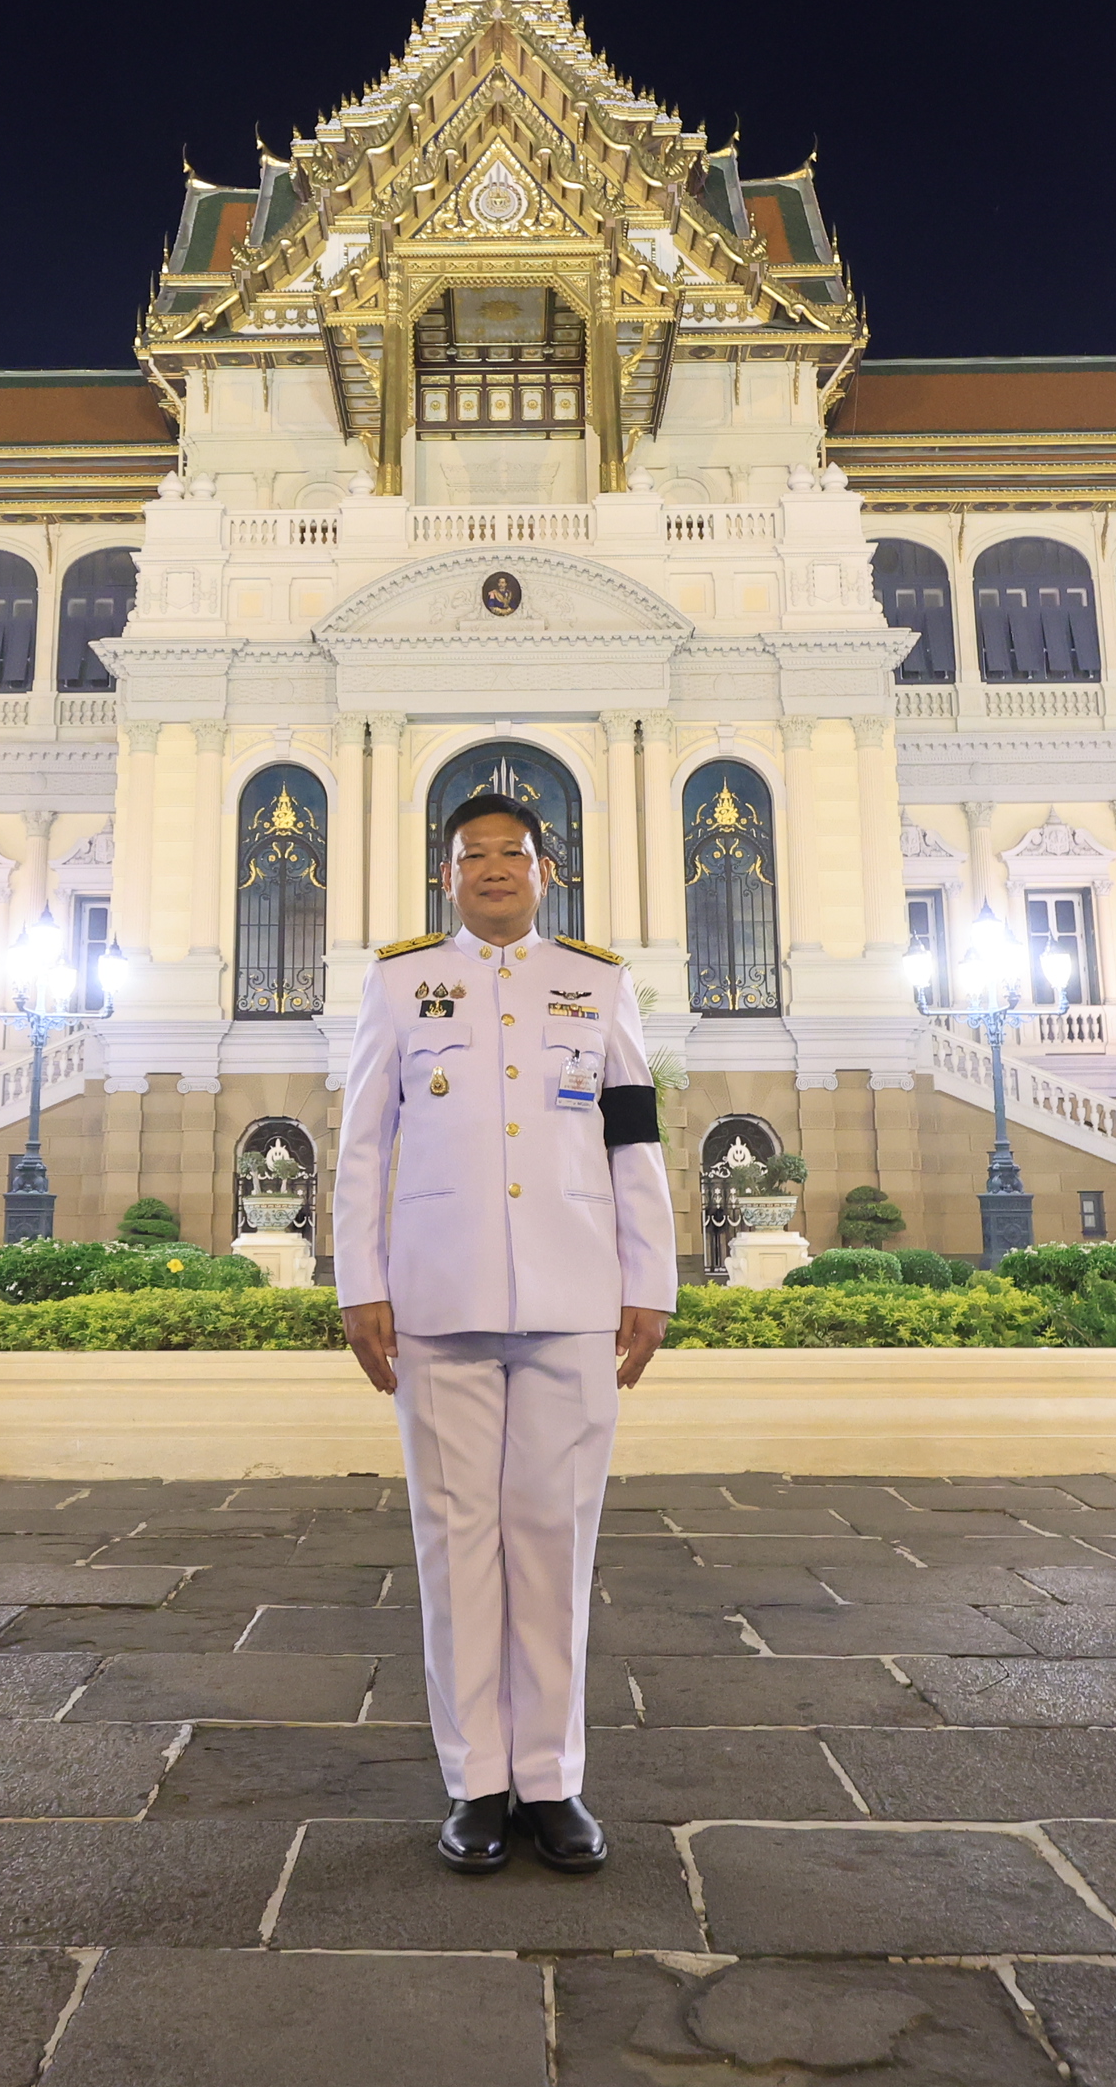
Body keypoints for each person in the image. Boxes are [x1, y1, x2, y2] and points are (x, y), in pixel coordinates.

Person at [332, 790, 676, 1875]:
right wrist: (359, 1281)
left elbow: (634, 1137)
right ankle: (478, 1780)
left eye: (511, 855)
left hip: (576, 1291)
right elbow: (359, 1148)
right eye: (471, 855)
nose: (492, 869)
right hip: (437, 1294)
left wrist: (652, 1277)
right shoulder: (397, 985)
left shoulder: (596, 983)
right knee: (455, 1541)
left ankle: (554, 1780)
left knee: (554, 1537)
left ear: (545, 871)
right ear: (448, 878)